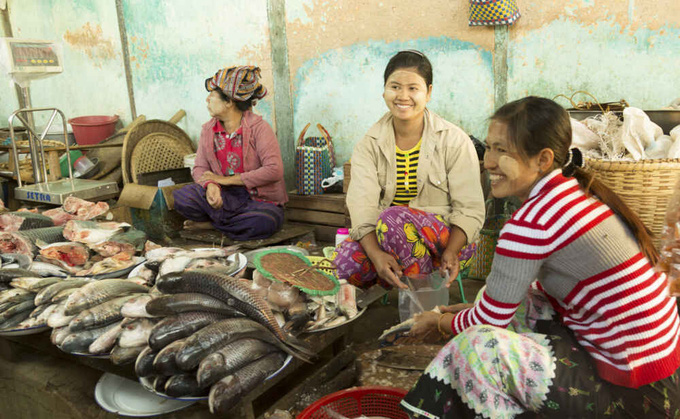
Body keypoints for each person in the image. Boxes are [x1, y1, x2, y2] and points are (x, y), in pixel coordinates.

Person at [402, 96, 680, 418]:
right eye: (489, 148)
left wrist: (438, 321)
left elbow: (486, 323)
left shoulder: (532, 223)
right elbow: (499, 307)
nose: (488, 162)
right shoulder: (572, 192)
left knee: (476, 348)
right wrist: (472, 311)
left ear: (542, 159)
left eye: (501, 150)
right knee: (515, 303)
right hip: (661, 371)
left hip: (637, 396)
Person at [335, 50, 485, 290]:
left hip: (449, 244)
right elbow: (362, 207)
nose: (403, 96)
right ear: (384, 89)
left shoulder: (454, 140)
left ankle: (422, 310)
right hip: (391, 238)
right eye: (395, 87)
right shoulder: (369, 144)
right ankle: (421, 297)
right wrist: (376, 256)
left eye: (413, 88)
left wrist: (452, 251)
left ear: (429, 92)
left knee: (393, 219)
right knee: (344, 263)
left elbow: (470, 210)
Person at [173, 66, 287, 241]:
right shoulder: (209, 129)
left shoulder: (260, 128)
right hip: (225, 197)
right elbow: (200, 167)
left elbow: (274, 170)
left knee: (266, 220)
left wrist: (224, 180)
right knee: (183, 198)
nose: (207, 99)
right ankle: (230, 225)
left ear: (229, 102)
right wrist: (212, 185)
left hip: (255, 201)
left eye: (212, 95)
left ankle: (213, 224)